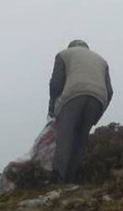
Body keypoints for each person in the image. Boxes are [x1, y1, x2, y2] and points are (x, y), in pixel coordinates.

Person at [48, 39, 113, 183]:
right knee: (80, 140)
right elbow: (110, 91)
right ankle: (73, 179)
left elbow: (56, 84)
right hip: (98, 99)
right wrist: (98, 114)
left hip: (73, 95)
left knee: (65, 138)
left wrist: (52, 107)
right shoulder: (101, 60)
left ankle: (58, 180)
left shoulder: (64, 54)